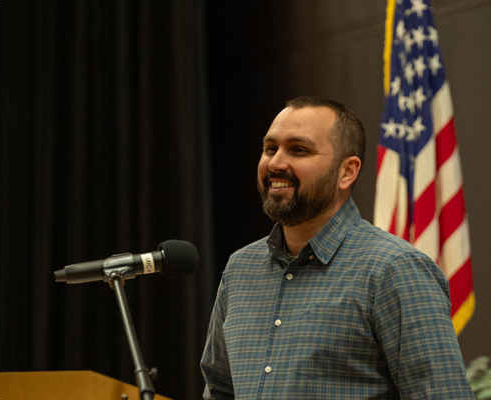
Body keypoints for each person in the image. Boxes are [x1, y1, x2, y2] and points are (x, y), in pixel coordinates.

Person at [200, 96, 475, 399]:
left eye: (298, 150)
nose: (276, 163)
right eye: (270, 148)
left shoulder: (394, 269)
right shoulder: (241, 269)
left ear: (347, 172)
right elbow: (219, 391)